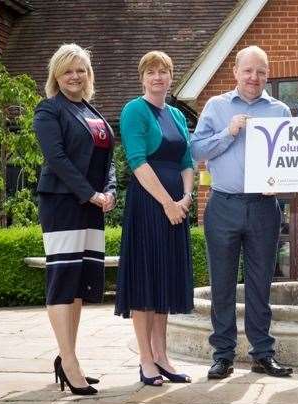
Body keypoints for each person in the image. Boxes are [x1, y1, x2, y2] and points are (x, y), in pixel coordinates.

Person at [192, 45, 293, 379]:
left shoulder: (280, 111)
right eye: (248, 70)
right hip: (223, 204)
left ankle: (263, 353)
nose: (254, 77)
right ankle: (223, 355)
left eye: (261, 71)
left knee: (260, 283)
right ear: (235, 72)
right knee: (221, 284)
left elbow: (291, 160)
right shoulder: (216, 106)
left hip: (265, 206)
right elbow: (196, 149)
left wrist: (282, 183)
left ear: (268, 75)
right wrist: (228, 132)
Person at [34, 43, 116, 395]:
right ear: (56, 75)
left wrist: (109, 190)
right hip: (63, 204)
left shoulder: (91, 110)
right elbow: (57, 159)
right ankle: (69, 363)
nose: (75, 76)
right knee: (62, 281)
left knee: (80, 283)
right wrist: (91, 193)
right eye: (68, 70)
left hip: (91, 205)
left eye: (80, 70)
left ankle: (69, 357)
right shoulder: (49, 110)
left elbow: (108, 159)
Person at [114, 51, 194, 386]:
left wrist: (186, 197)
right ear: (142, 77)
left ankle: (162, 356)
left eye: (163, 71)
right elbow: (136, 161)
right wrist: (167, 203)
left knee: (164, 279)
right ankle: (146, 360)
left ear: (171, 77)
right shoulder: (134, 110)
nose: (158, 77)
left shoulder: (175, 113)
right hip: (149, 207)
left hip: (178, 207)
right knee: (146, 280)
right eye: (151, 72)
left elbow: (188, 160)